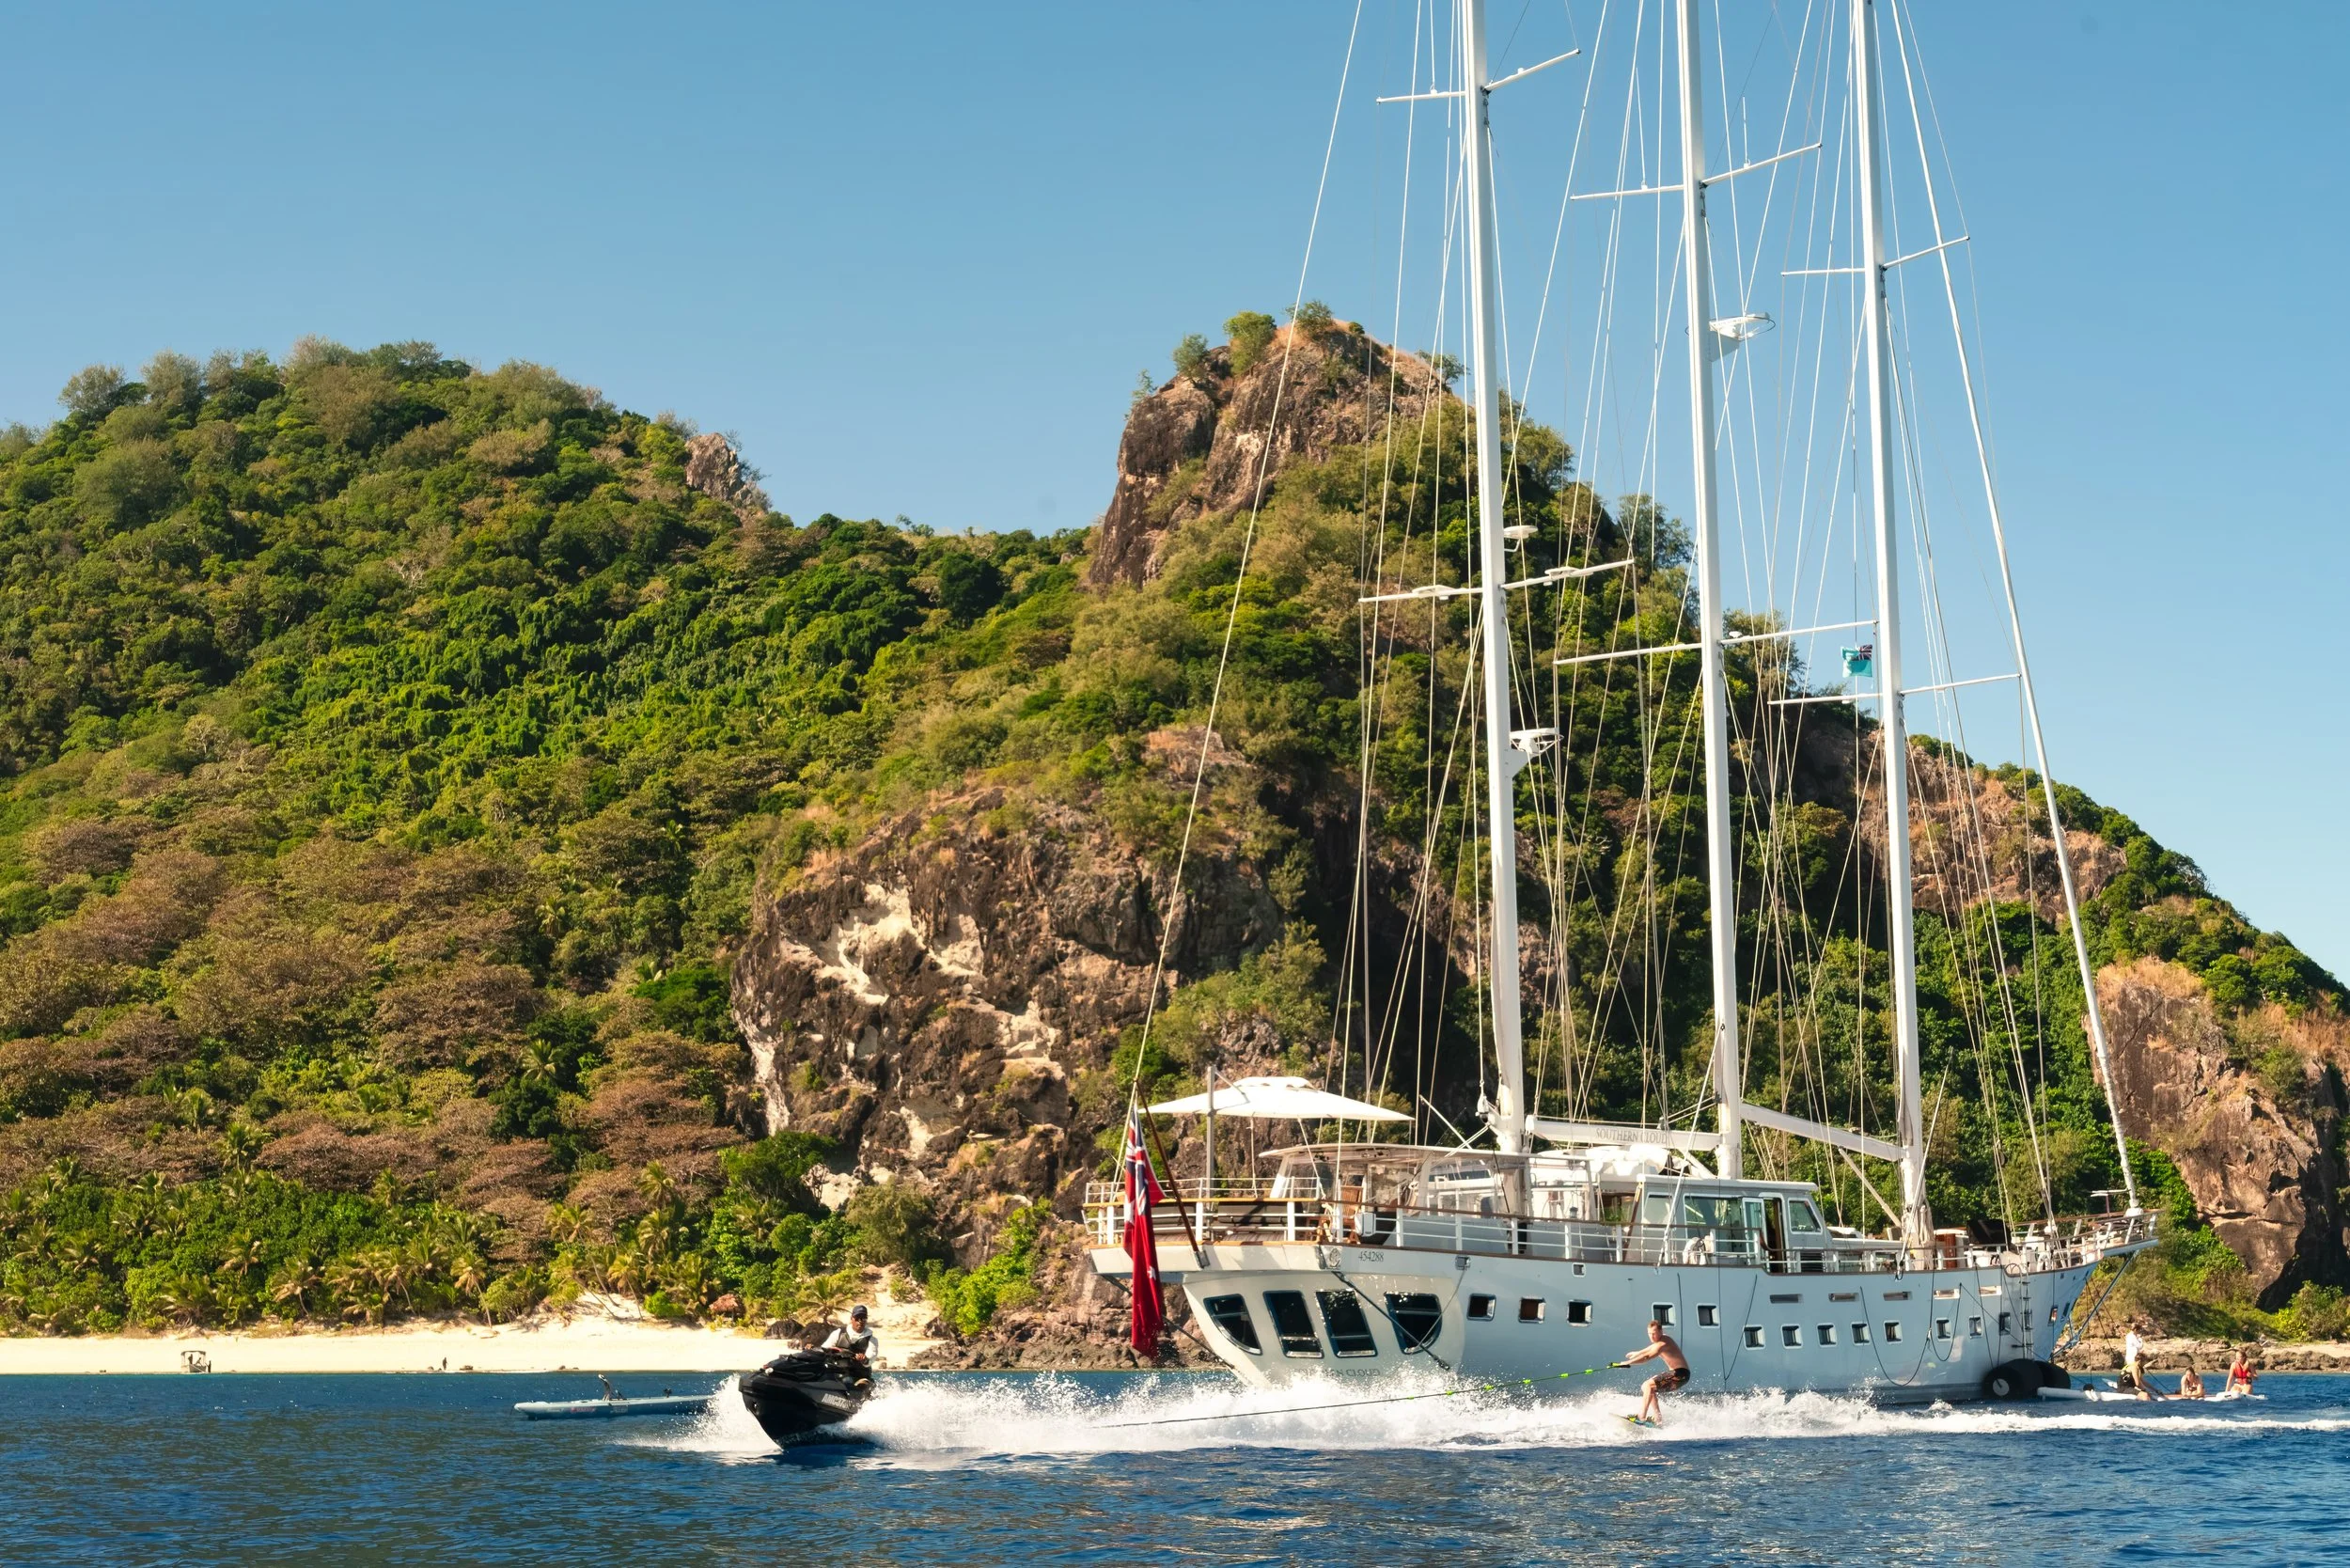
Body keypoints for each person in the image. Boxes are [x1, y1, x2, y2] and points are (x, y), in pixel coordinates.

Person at [1621, 1320, 1690, 1425]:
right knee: (1647, 1387)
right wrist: (1638, 1352)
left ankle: (1641, 1416)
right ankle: (1658, 1419)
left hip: (1680, 1374)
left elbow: (1646, 1357)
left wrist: (1628, 1362)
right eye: (1649, 1334)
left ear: (1661, 1331)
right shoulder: (1662, 1339)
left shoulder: (1662, 1344)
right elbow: (1651, 1348)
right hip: (1678, 1374)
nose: (1651, 1336)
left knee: (1648, 1385)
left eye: (1654, 1333)